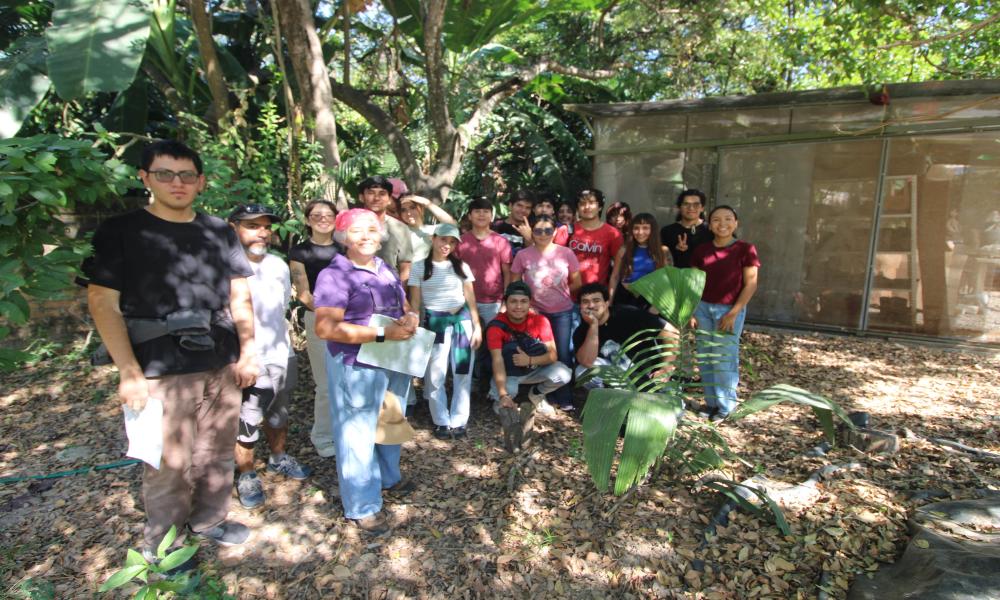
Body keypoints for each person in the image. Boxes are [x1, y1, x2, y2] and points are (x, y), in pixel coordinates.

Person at [84, 139, 256, 557]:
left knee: (216, 449)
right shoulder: (121, 231)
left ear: (200, 182)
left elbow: (239, 294)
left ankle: (210, 519)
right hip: (160, 363)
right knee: (167, 462)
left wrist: (248, 350)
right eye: (165, 174)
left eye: (186, 175)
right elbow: (102, 301)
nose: (176, 183)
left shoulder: (218, 230)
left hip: (221, 357)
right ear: (145, 178)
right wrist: (128, 371)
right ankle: (163, 543)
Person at [314, 208, 419, 535]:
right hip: (355, 362)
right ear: (343, 236)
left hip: (392, 357)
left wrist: (410, 317)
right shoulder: (334, 275)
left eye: (371, 230)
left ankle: (389, 477)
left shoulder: (384, 268)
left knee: (390, 417)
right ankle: (363, 505)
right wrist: (383, 334)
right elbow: (326, 328)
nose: (366, 237)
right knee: (357, 432)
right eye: (357, 231)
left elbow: (401, 307)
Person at [228, 205, 312, 509]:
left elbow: (281, 312)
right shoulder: (223, 265)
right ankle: (246, 474)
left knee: (279, 412)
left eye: (266, 226)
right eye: (252, 226)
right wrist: (240, 358)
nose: (261, 232)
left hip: (282, 352)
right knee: (248, 418)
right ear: (234, 226)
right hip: (247, 358)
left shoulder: (278, 265)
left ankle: (278, 458)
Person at [409, 224, 482, 438]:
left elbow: (471, 299)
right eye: (443, 240)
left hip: (462, 322)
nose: (446, 245)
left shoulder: (461, 266)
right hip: (436, 323)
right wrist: (414, 324)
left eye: (452, 242)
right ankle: (441, 420)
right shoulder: (420, 267)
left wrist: (477, 327)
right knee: (435, 373)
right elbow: (415, 302)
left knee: (462, 372)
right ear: (433, 239)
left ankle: (459, 420)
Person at [689, 205, 760, 420]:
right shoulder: (701, 251)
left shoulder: (745, 249)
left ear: (736, 223)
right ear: (710, 225)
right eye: (717, 220)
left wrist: (734, 312)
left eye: (728, 219)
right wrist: (691, 311)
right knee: (705, 357)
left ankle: (726, 408)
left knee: (723, 358)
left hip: (729, 310)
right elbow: (693, 284)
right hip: (702, 308)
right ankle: (712, 404)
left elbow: (751, 284)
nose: (723, 224)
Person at [511, 214, 581, 411]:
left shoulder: (566, 253)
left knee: (563, 354)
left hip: (562, 312)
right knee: (538, 353)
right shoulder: (523, 255)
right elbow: (515, 284)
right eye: (538, 230)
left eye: (548, 230)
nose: (543, 235)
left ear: (555, 232)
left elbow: (577, 282)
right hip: (535, 313)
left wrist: (563, 295)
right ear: (532, 231)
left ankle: (565, 397)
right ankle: (542, 396)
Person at [288, 200, 339, 458]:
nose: (322, 218)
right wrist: (331, 312)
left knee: (348, 379)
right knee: (326, 383)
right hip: (319, 319)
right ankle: (322, 435)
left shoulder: (345, 250)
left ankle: (343, 431)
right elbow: (304, 293)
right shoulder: (300, 252)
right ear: (308, 220)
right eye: (316, 215)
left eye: (328, 214)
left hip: (349, 321)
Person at [487, 281, 572, 415]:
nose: (519, 306)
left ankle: (537, 394)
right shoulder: (496, 326)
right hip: (508, 373)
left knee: (564, 373)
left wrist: (530, 360)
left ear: (530, 303)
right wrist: (503, 394)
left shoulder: (540, 321)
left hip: (533, 369)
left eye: (523, 301)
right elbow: (497, 360)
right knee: (508, 396)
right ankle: (501, 400)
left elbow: (553, 355)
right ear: (505, 303)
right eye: (513, 301)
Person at [456, 197, 513, 386]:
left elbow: (507, 273)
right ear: (470, 216)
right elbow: (454, 272)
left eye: (486, 211)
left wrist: (505, 302)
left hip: (494, 301)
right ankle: (469, 382)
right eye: (477, 211)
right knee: (468, 343)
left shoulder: (501, 241)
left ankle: (490, 383)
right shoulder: (461, 241)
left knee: (493, 344)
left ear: (492, 216)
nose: (481, 214)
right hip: (465, 301)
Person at [574, 283, 678, 383]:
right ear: (580, 307)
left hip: (649, 377)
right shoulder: (581, 331)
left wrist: (666, 368)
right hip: (617, 382)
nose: (591, 305)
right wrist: (593, 326)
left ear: (606, 304)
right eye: (585, 302)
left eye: (596, 300)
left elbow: (672, 333)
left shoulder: (628, 314)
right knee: (582, 371)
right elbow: (586, 362)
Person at [608, 213, 671, 310]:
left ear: (653, 230)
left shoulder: (662, 251)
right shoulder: (624, 250)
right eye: (636, 228)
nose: (640, 232)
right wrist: (609, 303)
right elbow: (615, 277)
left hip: (649, 299)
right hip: (624, 298)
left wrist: (656, 307)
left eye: (645, 228)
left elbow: (666, 281)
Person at [358, 175, 414, 282]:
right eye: (371, 193)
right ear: (361, 197)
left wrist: (400, 294)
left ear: (389, 199)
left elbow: (405, 266)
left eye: (382, 194)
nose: (376, 198)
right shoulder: (351, 225)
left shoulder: (400, 228)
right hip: (355, 288)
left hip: (388, 288)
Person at [568, 189, 624, 290]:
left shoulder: (613, 233)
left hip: (596, 298)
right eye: (582, 203)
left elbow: (616, 272)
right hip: (566, 298)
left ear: (600, 207)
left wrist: (609, 301)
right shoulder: (566, 230)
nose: (587, 207)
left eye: (591, 203)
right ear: (577, 208)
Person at [661, 189, 713, 268]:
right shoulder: (667, 231)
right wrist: (675, 250)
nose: (691, 208)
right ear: (679, 207)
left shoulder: (711, 230)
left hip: (706, 278)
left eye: (696, 204)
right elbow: (661, 259)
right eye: (686, 204)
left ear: (702, 208)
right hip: (675, 278)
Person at [397, 193, 457, 260]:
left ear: (421, 208)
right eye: (403, 210)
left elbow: (452, 225)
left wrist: (427, 203)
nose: (408, 213)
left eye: (412, 208)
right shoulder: (399, 233)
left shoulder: (434, 230)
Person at [492, 189, 535, 256]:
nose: (523, 210)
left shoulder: (533, 229)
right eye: (519, 205)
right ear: (510, 205)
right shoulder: (496, 225)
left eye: (527, 208)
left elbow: (535, 258)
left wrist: (529, 239)